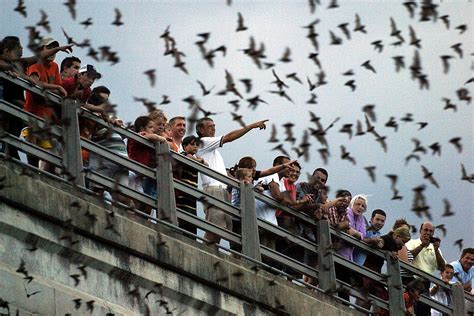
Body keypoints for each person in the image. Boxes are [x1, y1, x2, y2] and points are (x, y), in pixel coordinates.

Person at [195, 117, 268, 244]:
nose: (214, 128)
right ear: (201, 129)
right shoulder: (203, 142)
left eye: (214, 125)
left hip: (222, 190)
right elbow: (229, 137)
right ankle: (202, 251)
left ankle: (212, 254)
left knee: (224, 229)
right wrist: (251, 126)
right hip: (213, 189)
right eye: (210, 126)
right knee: (216, 226)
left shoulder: (213, 151)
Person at [22, 37, 69, 172]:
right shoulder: (35, 63)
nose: (53, 52)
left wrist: (58, 88)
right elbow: (35, 82)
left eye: (55, 49)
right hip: (32, 114)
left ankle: (39, 176)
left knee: (47, 152)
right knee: (33, 151)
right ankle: (31, 174)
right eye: (49, 48)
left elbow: (59, 88)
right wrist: (56, 88)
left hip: (46, 118)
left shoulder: (54, 66)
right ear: (41, 50)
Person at [360, 226, 412, 315]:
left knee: (382, 295)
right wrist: (386, 252)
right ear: (397, 236)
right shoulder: (387, 239)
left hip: (376, 269)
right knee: (367, 291)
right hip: (370, 267)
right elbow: (379, 244)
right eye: (403, 241)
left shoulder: (396, 245)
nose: (403, 245)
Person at [406, 222, 446, 316]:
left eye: (430, 231)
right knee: (411, 310)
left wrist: (436, 250)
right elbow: (408, 258)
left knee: (424, 311)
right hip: (412, 281)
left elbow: (442, 267)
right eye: (426, 230)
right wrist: (422, 245)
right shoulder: (412, 242)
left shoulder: (435, 249)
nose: (428, 233)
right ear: (420, 230)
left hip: (426, 284)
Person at [173, 135, 207, 236]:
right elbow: (190, 158)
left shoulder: (195, 158)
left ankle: (190, 236)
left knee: (192, 218)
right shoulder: (183, 154)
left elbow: (206, 165)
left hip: (191, 195)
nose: (195, 147)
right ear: (185, 146)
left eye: (197, 145)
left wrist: (200, 161)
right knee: (182, 216)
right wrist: (200, 160)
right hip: (182, 193)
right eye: (192, 144)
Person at [127, 116, 167, 202]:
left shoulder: (146, 138)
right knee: (129, 194)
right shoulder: (141, 135)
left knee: (140, 198)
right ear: (142, 128)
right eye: (150, 127)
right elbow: (154, 137)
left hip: (139, 175)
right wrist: (162, 139)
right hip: (133, 171)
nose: (153, 129)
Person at [393, 218, 415, 285]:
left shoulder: (403, 246)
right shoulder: (400, 246)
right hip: (404, 280)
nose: (406, 232)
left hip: (405, 279)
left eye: (407, 231)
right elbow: (405, 265)